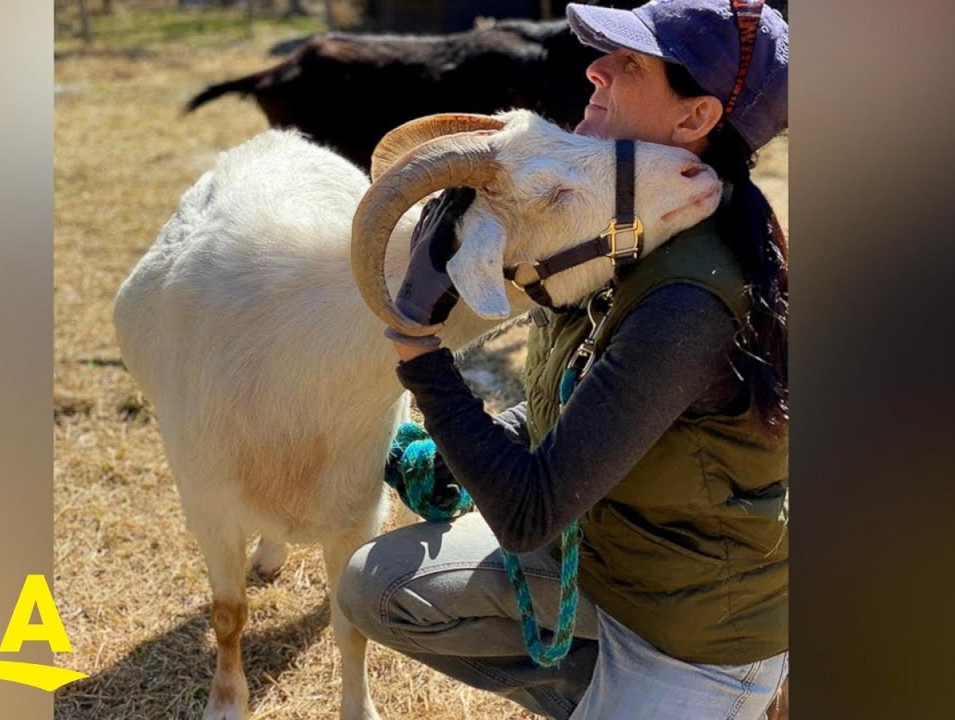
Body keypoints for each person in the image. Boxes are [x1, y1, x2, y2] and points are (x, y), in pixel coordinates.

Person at [336, 1, 789, 718]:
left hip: (695, 631)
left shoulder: (689, 297)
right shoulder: (623, 221)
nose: (595, 69)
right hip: (610, 566)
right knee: (377, 588)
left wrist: (417, 349)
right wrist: (469, 452)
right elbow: (576, 396)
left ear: (695, 119)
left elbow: (527, 514)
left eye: (630, 64)